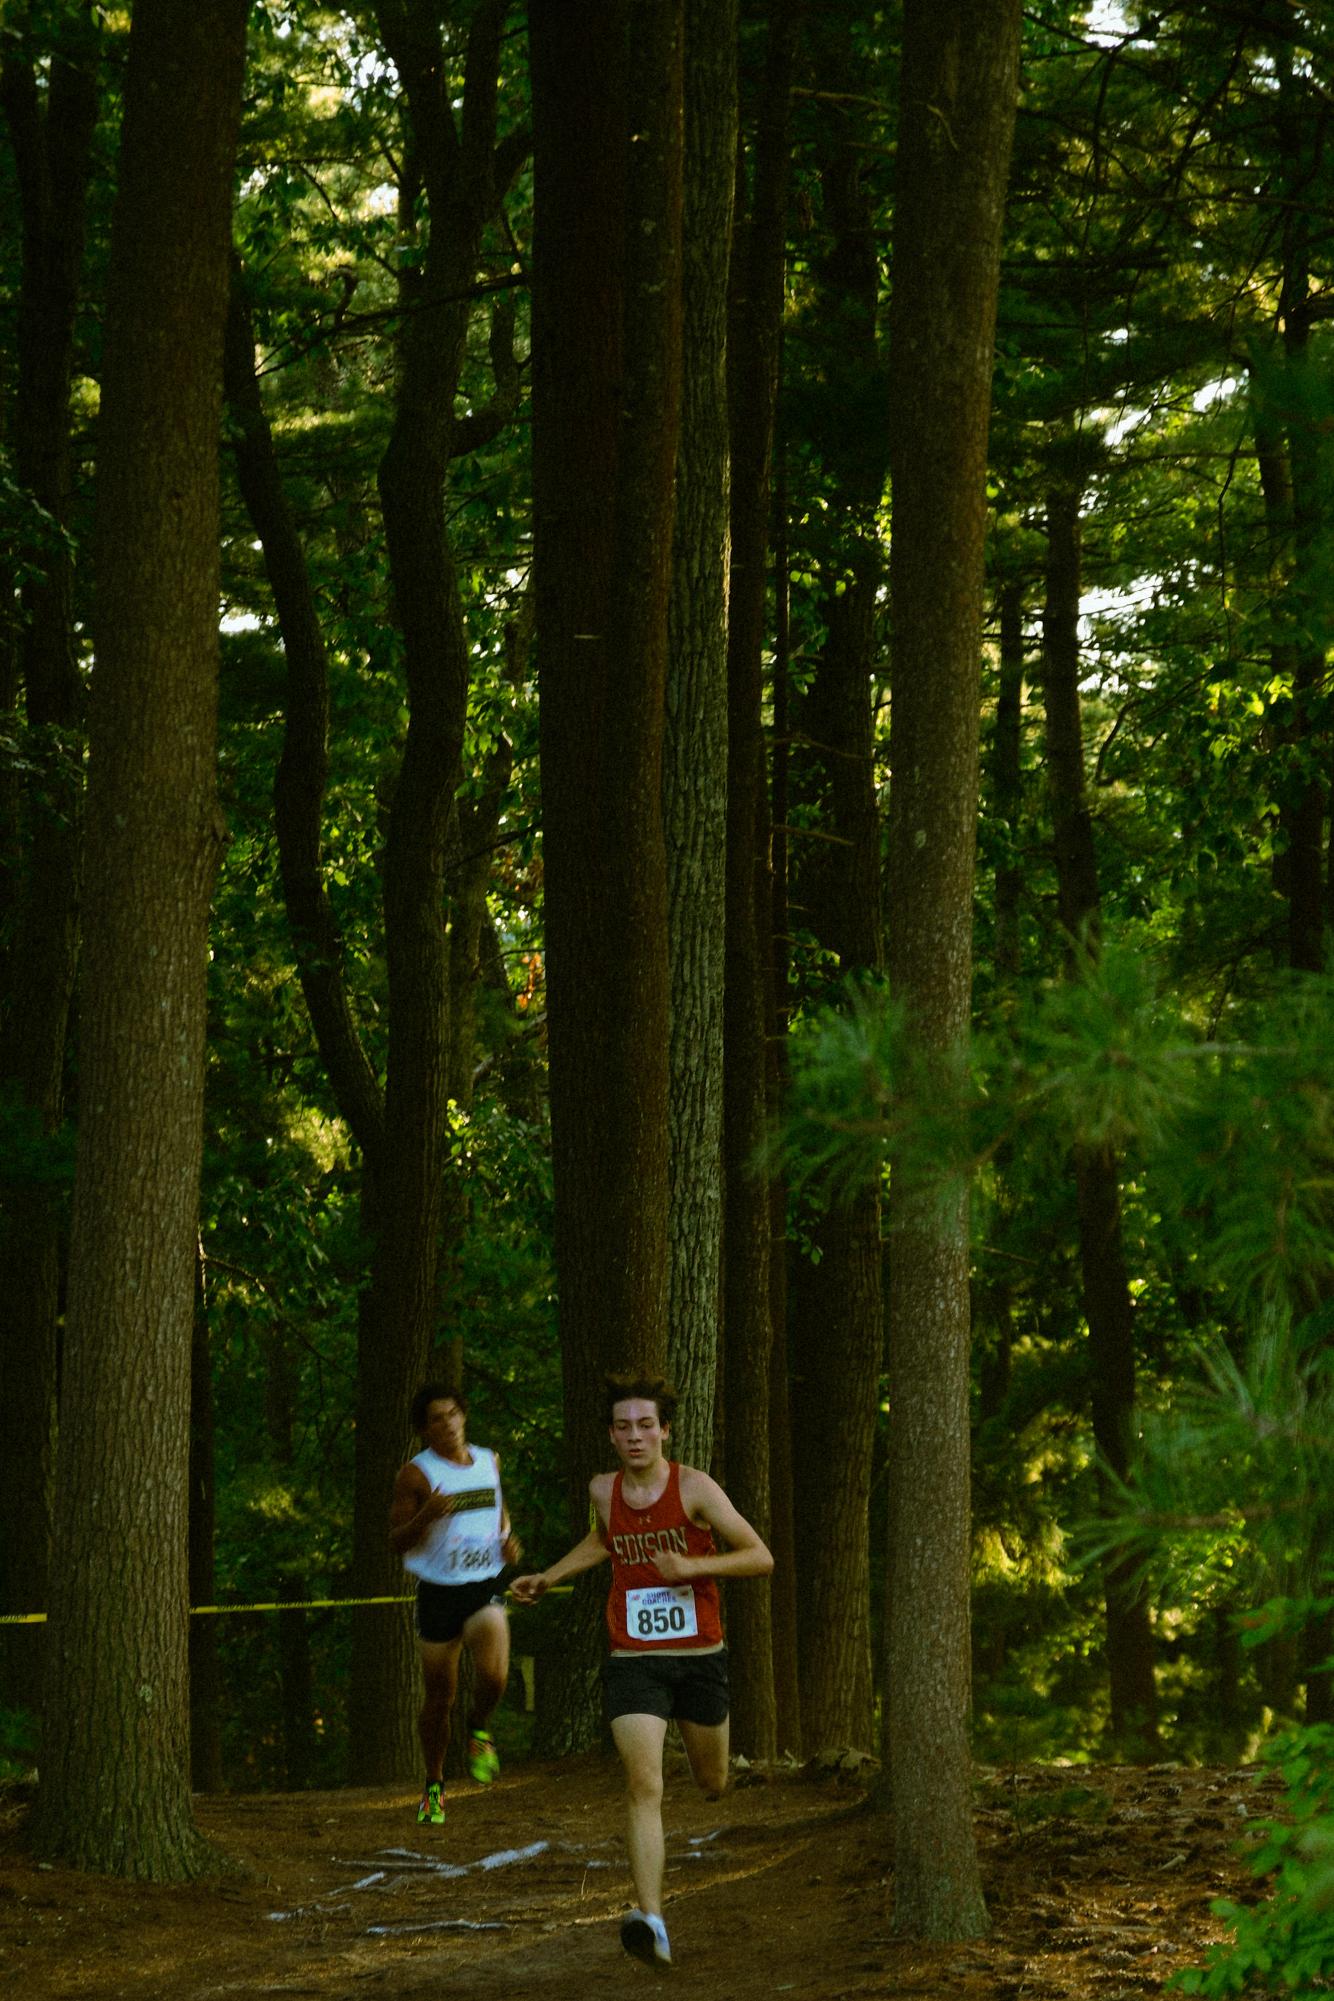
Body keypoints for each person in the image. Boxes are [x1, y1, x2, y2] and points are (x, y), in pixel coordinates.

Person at [510, 1371, 773, 1971]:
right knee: (644, 1784)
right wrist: (549, 1577)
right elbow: (604, 1541)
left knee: (712, 1782)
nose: (636, 1436)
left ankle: (706, 1777)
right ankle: (651, 1919)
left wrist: (689, 1566)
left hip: (700, 1655)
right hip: (633, 1660)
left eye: (646, 1426)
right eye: (624, 1427)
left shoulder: (696, 1488)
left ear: (665, 1431)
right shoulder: (603, 1490)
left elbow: (761, 1557)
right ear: (610, 1434)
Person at [389, 1382, 522, 1827]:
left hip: (482, 1585)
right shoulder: (417, 1474)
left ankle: (479, 1727)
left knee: (494, 1675)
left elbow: (498, 1511)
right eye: (436, 1419)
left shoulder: (489, 1460)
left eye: (453, 1414)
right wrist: (425, 1516)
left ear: (464, 1416)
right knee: (438, 1698)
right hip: (438, 1592)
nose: (447, 1425)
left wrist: (507, 1542)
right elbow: (395, 1540)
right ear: (425, 1430)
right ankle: (434, 1785)